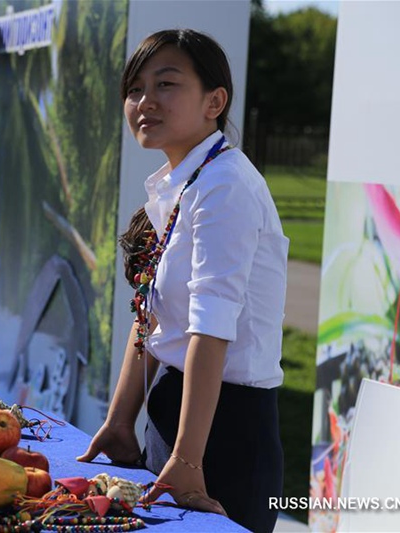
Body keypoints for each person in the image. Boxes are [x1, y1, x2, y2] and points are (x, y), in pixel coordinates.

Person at [77, 29, 289, 533]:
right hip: (172, 427)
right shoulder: (179, 184)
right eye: (134, 89)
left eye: (165, 84)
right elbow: (149, 315)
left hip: (227, 435)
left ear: (215, 101)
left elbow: (210, 328)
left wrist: (190, 461)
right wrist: (120, 421)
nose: (144, 101)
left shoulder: (226, 185)